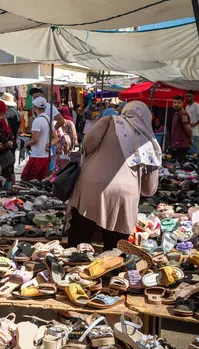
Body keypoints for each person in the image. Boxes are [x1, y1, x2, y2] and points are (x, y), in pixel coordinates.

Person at [67, 101, 161, 250]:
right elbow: (149, 189)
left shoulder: (110, 121)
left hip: (92, 187)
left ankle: (74, 268)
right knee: (114, 251)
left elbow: (88, 142)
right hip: (125, 197)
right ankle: (111, 270)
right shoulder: (150, 141)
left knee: (80, 240)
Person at [21, 97, 58, 181]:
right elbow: (55, 138)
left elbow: (35, 139)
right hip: (47, 155)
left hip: (37, 155)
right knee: (40, 180)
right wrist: (48, 145)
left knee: (26, 179)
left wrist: (26, 144)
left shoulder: (37, 121)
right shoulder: (49, 119)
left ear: (34, 107)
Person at [0, 99, 16, 189]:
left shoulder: (4, 124)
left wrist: (10, 142)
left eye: (2, 114)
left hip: (6, 159)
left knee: (7, 181)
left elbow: (10, 135)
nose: (0, 117)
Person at [53, 106, 79, 173]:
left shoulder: (57, 123)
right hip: (68, 144)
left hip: (59, 144)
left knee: (60, 160)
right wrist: (77, 149)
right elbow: (74, 137)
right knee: (67, 160)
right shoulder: (70, 122)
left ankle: (59, 172)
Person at [170, 95, 193, 162]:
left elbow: (188, 128)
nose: (176, 104)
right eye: (175, 102)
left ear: (182, 104)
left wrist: (191, 138)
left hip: (181, 145)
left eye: (179, 103)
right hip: (177, 144)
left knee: (179, 165)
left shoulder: (183, 113)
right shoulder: (177, 113)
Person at [185, 90, 199, 155]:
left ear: (193, 97)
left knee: (194, 152)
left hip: (194, 133)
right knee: (189, 153)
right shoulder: (187, 107)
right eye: (186, 96)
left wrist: (196, 123)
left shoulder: (196, 105)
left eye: (189, 96)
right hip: (188, 133)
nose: (187, 97)